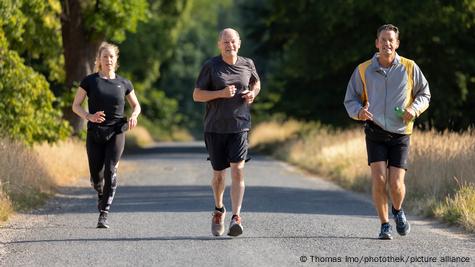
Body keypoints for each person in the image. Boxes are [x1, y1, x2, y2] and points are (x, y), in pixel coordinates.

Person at [344, 24, 430, 240]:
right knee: (379, 179)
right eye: (383, 40)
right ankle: (384, 225)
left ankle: (398, 210)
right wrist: (359, 113)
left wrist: (414, 109)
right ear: (377, 43)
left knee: (396, 182)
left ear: (397, 44)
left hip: (401, 133)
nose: (387, 44)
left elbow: (424, 94)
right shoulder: (363, 70)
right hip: (375, 131)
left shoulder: (410, 68)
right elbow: (350, 99)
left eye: (391, 40)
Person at [193, 28, 261, 237]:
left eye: (233, 42)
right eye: (225, 42)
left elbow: (256, 83)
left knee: (238, 169)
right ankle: (219, 209)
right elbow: (197, 95)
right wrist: (220, 93)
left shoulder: (247, 63)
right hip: (215, 128)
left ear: (239, 43)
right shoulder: (211, 66)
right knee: (219, 175)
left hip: (240, 125)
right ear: (219, 45)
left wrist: (252, 94)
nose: (229, 45)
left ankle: (236, 216)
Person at [72, 42, 141, 228]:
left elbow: (136, 105)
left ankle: (104, 213)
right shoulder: (90, 81)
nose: (108, 60)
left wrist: (134, 116)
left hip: (117, 131)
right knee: (97, 176)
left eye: (111, 57)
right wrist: (89, 116)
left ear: (116, 60)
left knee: (111, 170)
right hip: (95, 132)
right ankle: (100, 191)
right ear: (99, 60)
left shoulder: (124, 83)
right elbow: (75, 105)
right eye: (105, 57)